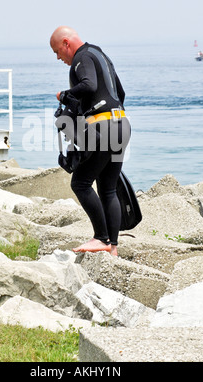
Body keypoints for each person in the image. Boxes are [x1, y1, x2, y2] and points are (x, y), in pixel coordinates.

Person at [50, 26, 131, 256]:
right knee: (108, 188)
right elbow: (120, 93)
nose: (59, 57)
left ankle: (100, 237)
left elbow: (89, 85)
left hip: (104, 127)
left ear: (66, 43)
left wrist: (64, 95)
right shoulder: (100, 55)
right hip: (122, 124)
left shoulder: (81, 57)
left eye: (57, 51)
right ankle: (112, 247)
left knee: (81, 183)